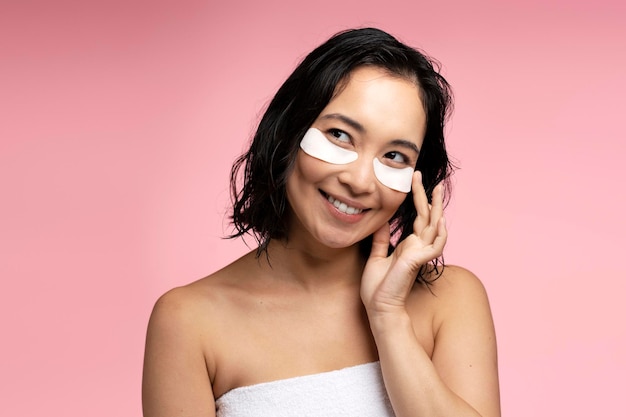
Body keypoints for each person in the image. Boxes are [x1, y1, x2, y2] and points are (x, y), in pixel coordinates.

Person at [142, 27, 500, 417]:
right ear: (289, 131)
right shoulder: (188, 322)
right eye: (340, 135)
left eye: (395, 156)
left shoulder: (451, 300)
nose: (360, 181)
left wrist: (388, 318)